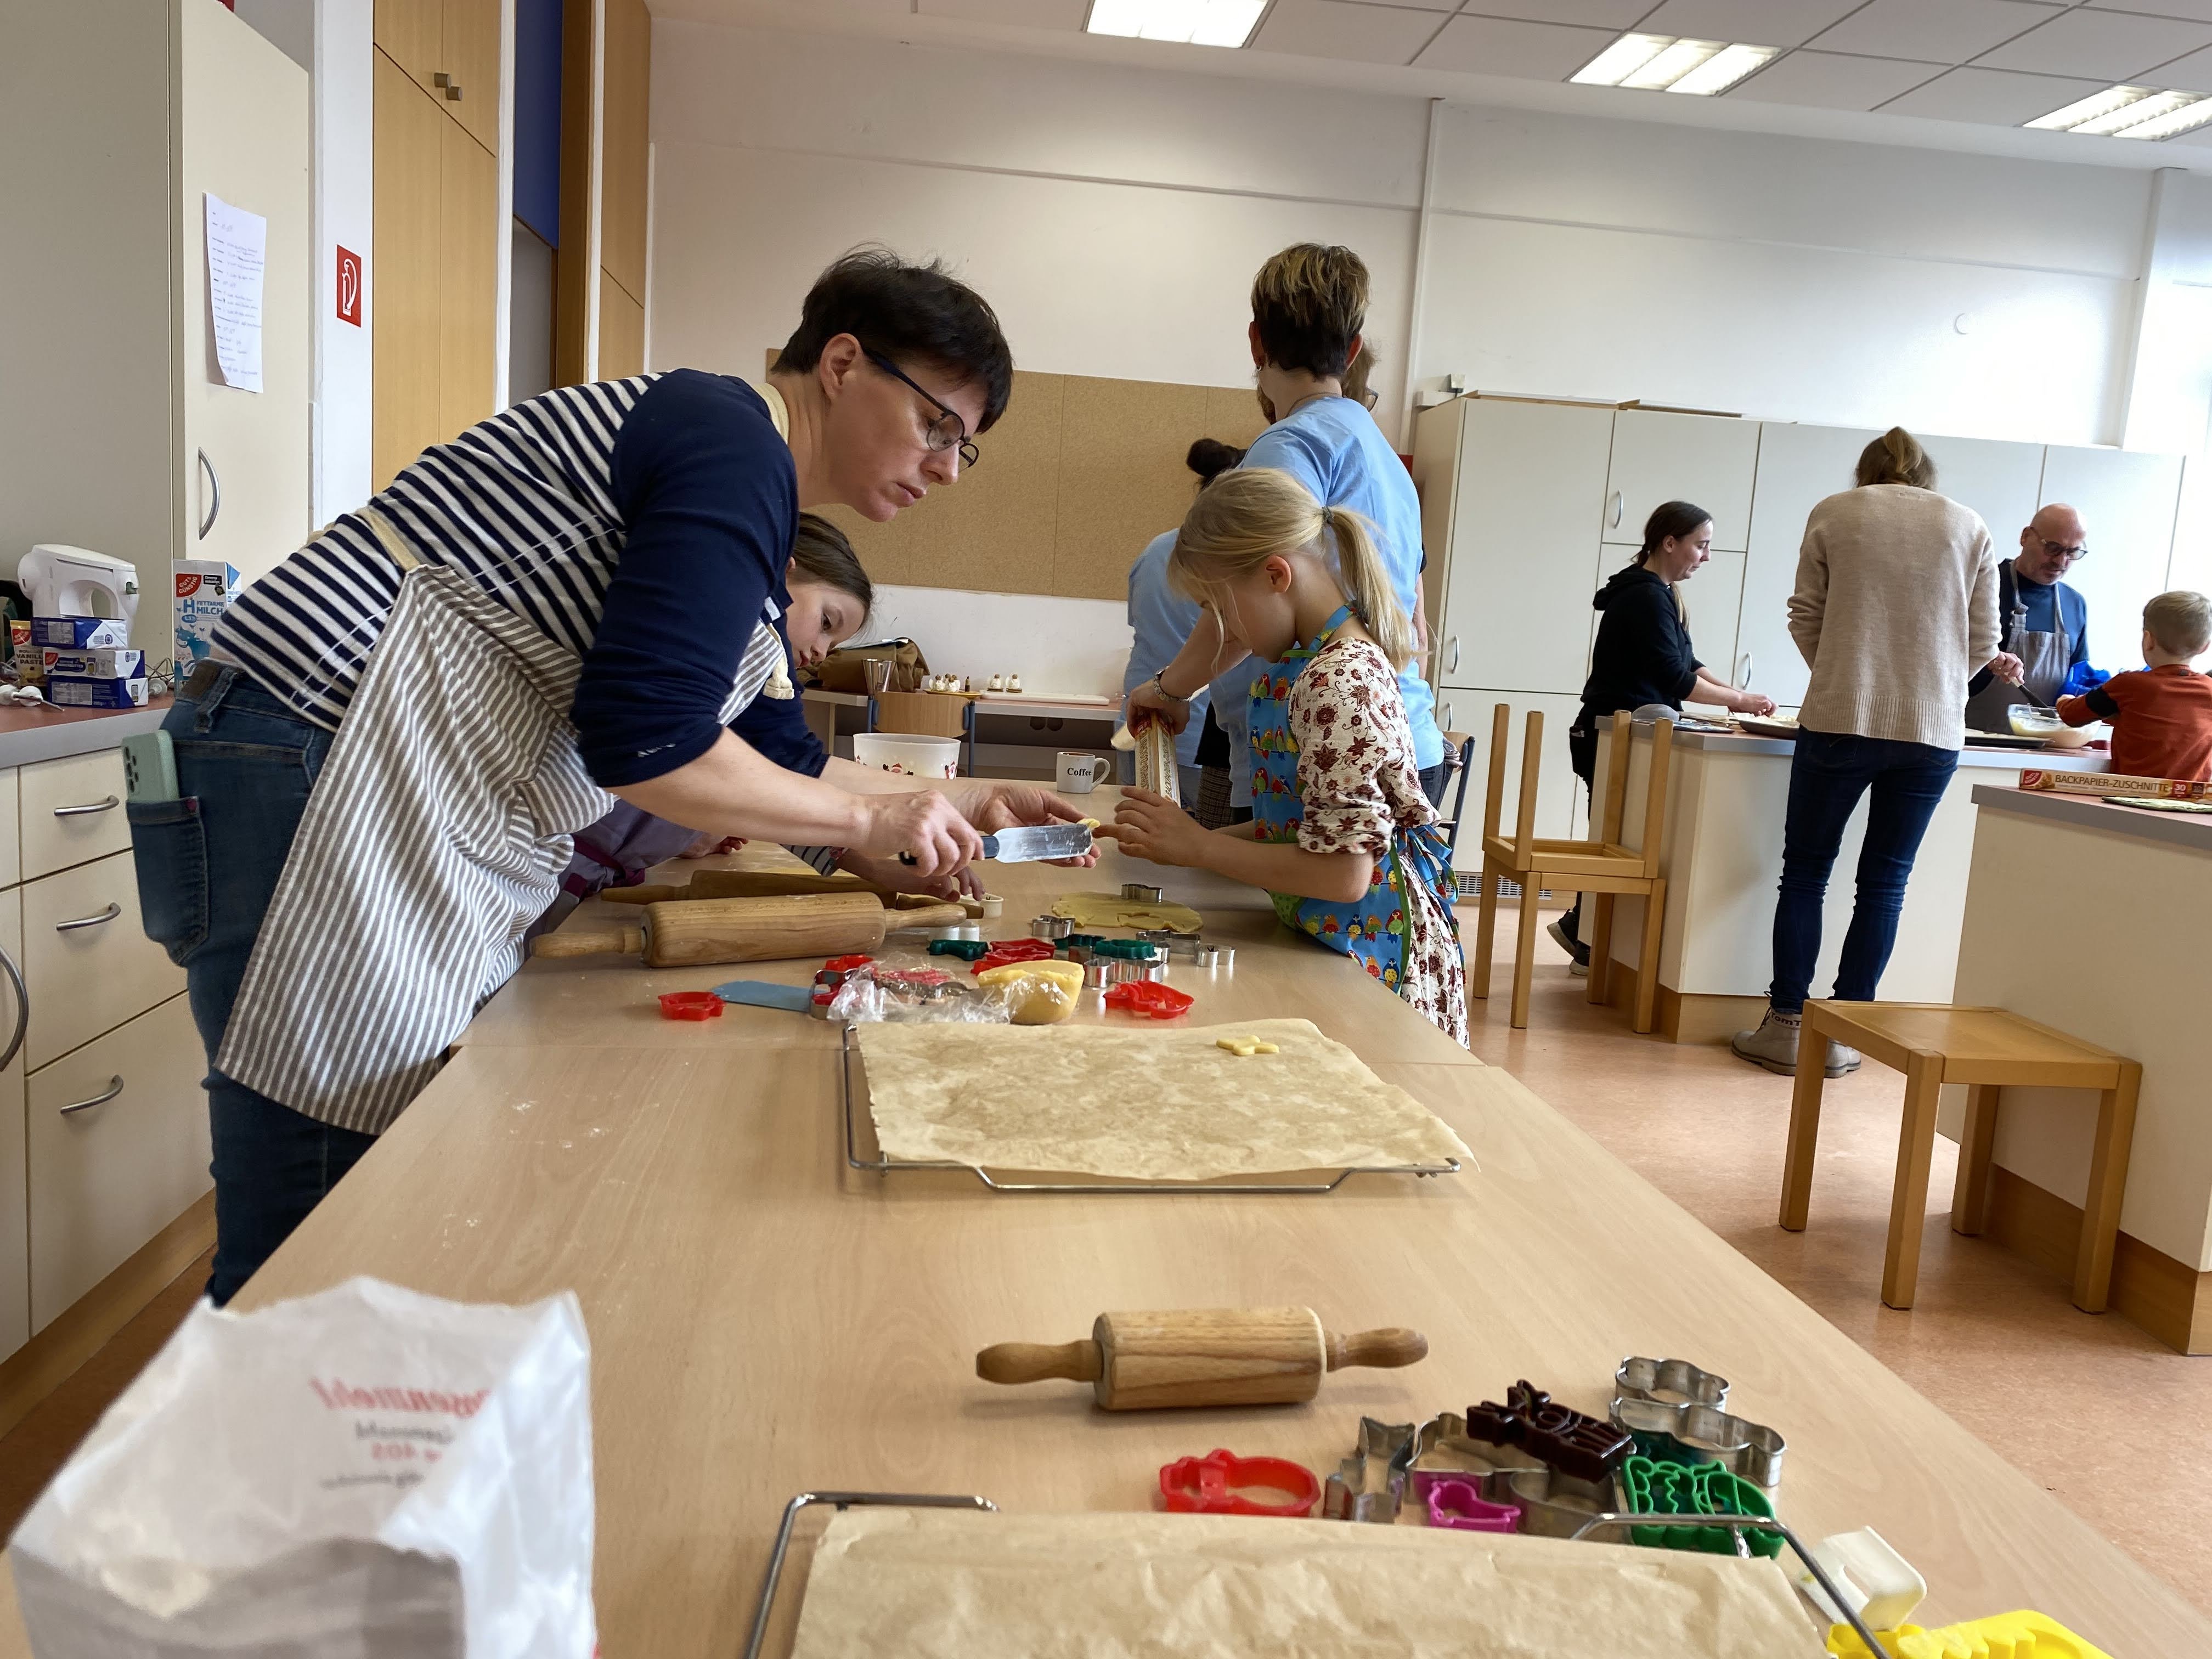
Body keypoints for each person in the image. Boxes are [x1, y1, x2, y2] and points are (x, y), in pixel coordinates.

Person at [133, 249, 1083, 1302]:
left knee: (365, 1206)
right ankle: (256, 1397)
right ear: (843, 364)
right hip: (310, 747)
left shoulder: (749, 497)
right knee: (316, 1225)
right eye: (938, 424)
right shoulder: (731, 441)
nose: (947, 468)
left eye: (965, 446)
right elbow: (649, 741)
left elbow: (784, 762)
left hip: (341, 768)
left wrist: (957, 805)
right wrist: (867, 823)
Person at [1108, 469, 1467, 1044]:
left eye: (1220, 611)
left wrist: (1199, 846)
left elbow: (1345, 873)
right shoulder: (1307, 664)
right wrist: (1181, 842)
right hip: (1335, 951)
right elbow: (1301, 829)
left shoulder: (1338, 682)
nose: (1225, 633)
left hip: (1379, 972)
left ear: (1277, 575)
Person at [1732, 427, 2023, 1077]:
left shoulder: (1836, 511)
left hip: (1839, 720)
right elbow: (1985, 640)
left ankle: (1786, 1028)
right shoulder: (1969, 524)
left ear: (1867, 472)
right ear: (1926, 475)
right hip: (1932, 733)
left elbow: (1805, 615)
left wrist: (1841, 675)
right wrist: (1934, 688)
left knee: (1806, 873)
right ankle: (1845, 1035)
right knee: (1885, 883)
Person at [1127, 245, 1451, 805]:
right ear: (1352, 351)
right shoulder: (1381, 455)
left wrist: (1169, 689)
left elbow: (1243, 599)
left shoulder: (1291, 445)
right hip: (1401, 738)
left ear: (1256, 342)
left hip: (1322, 753)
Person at [533, 512, 935, 937]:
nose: (821, 652)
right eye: (825, 623)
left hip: (597, 882)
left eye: (833, 644)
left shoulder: (751, 689)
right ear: (778, 576)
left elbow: (781, 794)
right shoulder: (697, 663)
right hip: (554, 870)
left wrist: (686, 830)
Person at [1549, 501, 1774, 974]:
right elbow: (1676, 678)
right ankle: (1587, 941)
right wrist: (1739, 701)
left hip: (1615, 732)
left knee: (1617, 838)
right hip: (1613, 734)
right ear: (1670, 543)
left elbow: (1688, 663)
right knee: (1616, 842)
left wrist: (1738, 698)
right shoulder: (1646, 598)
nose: (1706, 557)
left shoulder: (1660, 594)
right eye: (1701, 545)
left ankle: (1583, 934)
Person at [1122, 439, 1248, 805]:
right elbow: (1234, 637)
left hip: (1140, 720)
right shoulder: (1233, 564)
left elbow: (1140, 625)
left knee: (1140, 829)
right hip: (1195, 729)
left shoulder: (1155, 550)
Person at [2057, 589, 2212, 781]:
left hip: (2131, 794)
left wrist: (2064, 701)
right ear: (2205, 647)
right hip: (2190, 797)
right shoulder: (2209, 690)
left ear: (2148, 640)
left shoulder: (2129, 684)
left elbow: (2072, 716)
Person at [1964, 503, 2092, 730]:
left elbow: (2079, 679)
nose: (2061, 562)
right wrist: (1988, 658)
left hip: (2044, 743)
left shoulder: (2075, 604)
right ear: (2025, 537)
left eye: (2072, 553)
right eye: (2053, 548)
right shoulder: (1980, 586)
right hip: (1973, 738)